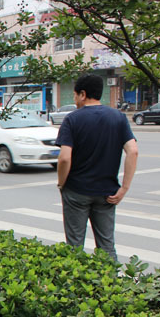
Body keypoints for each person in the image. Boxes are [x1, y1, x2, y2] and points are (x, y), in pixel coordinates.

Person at [55, 73, 139, 262]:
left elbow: (64, 158)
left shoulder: (72, 120)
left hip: (77, 191)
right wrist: (124, 188)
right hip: (107, 193)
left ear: (83, 94)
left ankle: (77, 280)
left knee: (74, 246)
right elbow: (133, 151)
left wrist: (61, 183)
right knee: (107, 246)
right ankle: (111, 280)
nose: (75, 100)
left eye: (75, 95)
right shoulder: (118, 117)